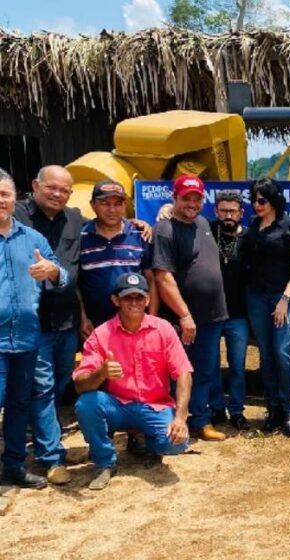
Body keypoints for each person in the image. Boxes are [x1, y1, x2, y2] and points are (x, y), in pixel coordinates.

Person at [73, 273, 192, 490]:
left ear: (148, 299)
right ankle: (105, 462)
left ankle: (148, 441)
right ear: (115, 300)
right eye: (128, 298)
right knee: (86, 404)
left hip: (154, 405)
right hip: (118, 405)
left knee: (177, 443)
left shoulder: (163, 329)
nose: (134, 303)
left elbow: (184, 372)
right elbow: (80, 385)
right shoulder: (101, 334)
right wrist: (101, 373)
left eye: (139, 297)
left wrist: (181, 418)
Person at [0, 169, 68, 489]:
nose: (1, 201)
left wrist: (52, 270)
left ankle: (13, 465)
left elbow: (62, 276)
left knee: (18, 405)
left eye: (5, 194)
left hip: (27, 338)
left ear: (15, 199)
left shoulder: (33, 238)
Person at [13, 165, 82, 481]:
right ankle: (51, 457)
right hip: (32, 321)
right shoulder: (15, 216)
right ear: (35, 185)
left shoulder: (75, 218)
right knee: (42, 387)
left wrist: (147, 220)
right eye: (51, 187)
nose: (57, 194)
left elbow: (108, 223)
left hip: (67, 320)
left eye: (64, 190)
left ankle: (40, 431)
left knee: (60, 382)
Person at [152, 174, 228, 442]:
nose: (192, 204)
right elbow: (163, 277)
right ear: (175, 197)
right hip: (182, 319)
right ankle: (174, 424)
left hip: (211, 316)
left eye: (197, 199)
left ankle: (201, 420)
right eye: (186, 198)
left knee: (206, 370)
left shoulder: (203, 223)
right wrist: (185, 315)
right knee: (178, 372)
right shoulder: (165, 230)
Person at [243, 177, 290, 436]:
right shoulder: (252, 227)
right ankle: (273, 407)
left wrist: (285, 299)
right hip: (256, 296)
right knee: (266, 353)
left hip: (284, 296)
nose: (257, 205)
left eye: (262, 200)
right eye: (254, 200)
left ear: (274, 200)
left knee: (282, 351)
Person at [78, 179, 158, 328]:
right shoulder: (81, 236)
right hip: (95, 327)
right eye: (105, 203)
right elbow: (76, 283)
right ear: (92, 205)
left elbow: (151, 280)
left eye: (117, 204)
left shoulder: (140, 235)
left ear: (125, 205)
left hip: (134, 325)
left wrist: (151, 320)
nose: (112, 209)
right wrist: (82, 318)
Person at [208, 190, 251, 431]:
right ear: (216, 211)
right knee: (211, 365)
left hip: (238, 314)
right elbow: (173, 215)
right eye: (223, 210)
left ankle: (237, 410)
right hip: (211, 313)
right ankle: (215, 408)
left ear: (241, 213)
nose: (228, 215)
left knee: (237, 366)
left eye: (233, 211)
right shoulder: (205, 231)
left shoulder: (249, 236)